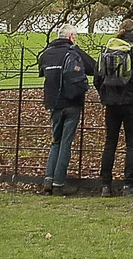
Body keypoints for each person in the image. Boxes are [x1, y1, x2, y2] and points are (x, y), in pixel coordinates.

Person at [94, 17, 133, 197]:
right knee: (132, 144)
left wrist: (105, 96)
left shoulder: (106, 50)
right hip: (132, 103)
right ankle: (129, 185)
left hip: (111, 103)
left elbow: (97, 78)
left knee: (110, 143)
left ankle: (105, 185)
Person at [36, 25, 97, 196]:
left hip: (54, 103)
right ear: (70, 36)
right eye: (75, 36)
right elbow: (93, 67)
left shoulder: (46, 54)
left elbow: (42, 73)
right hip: (72, 102)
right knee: (66, 142)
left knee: (56, 141)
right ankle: (59, 183)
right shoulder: (73, 51)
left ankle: (48, 179)